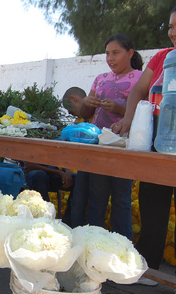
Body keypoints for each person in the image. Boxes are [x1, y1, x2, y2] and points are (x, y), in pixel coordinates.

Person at [112, 1, 176, 283]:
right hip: (159, 139)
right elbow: (138, 91)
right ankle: (149, 268)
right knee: (153, 202)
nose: (174, 32)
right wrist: (129, 120)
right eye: (172, 26)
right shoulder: (162, 57)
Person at [80, 33, 144, 240]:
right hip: (99, 145)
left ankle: (122, 247)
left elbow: (145, 113)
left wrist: (119, 108)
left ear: (130, 53)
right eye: (107, 53)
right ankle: (92, 244)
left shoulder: (141, 78)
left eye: (116, 53)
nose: (110, 58)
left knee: (121, 199)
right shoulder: (101, 79)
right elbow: (85, 114)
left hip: (124, 148)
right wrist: (87, 104)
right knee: (97, 197)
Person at [61, 87, 90, 228]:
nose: (69, 113)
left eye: (69, 108)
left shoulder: (94, 118)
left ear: (74, 99)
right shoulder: (77, 123)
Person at [22, 162, 75, 226]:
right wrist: (58, 172)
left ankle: (67, 223)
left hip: (53, 172)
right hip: (34, 173)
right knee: (40, 176)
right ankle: (45, 219)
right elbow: (31, 166)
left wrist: (67, 171)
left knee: (76, 179)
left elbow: (61, 158)